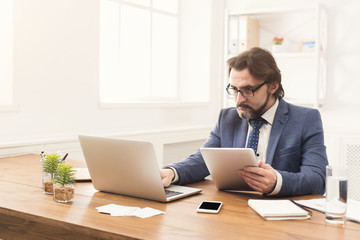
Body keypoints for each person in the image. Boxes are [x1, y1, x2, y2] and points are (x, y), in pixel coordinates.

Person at [160, 47, 328, 197]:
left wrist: (277, 181)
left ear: (273, 86)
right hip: (234, 208)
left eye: (248, 90)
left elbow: (318, 178)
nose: (239, 99)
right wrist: (172, 172)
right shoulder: (227, 118)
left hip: (281, 214)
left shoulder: (306, 119)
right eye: (234, 89)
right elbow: (203, 159)